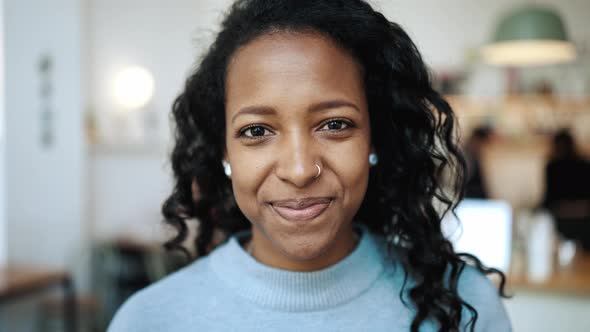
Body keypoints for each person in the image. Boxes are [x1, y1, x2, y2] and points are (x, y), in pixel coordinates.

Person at [108, 1, 511, 331]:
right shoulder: (150, 321)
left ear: (374, 138)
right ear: (224, 152)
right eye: (256, 130)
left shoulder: (465, 307)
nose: (300, 170)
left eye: (335, 125)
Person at [542, 129, 590, 250]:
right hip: (585, 221)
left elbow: (548, 198)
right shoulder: (585, 165)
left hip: (561, 221)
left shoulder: (552, 167)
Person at [463, 126, 493, 199]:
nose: (484, 147)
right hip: (468, 200)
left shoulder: (474, 155)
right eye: (484, 143)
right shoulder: (464, 156)